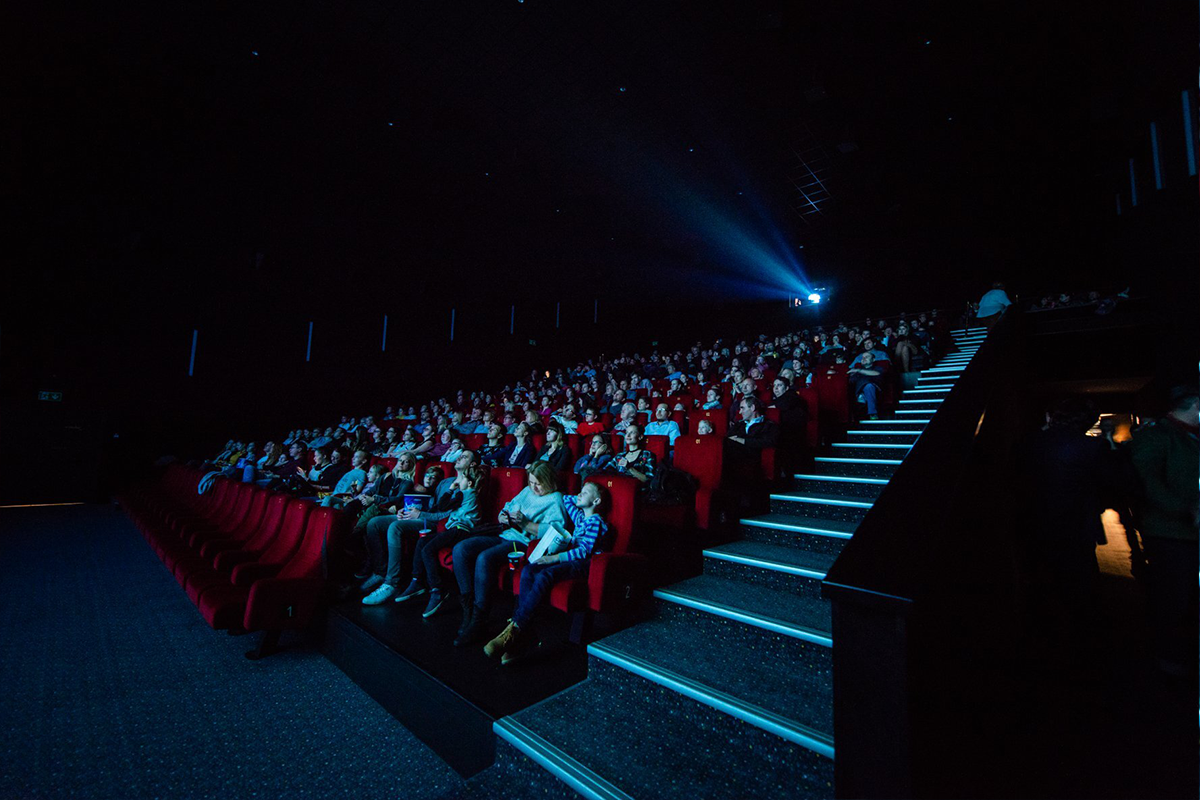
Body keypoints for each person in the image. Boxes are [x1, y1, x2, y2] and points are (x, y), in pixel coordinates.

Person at [1019, 397, 1117, 667]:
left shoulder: (1030, 443)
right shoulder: (1091, 446)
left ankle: (1043, 644)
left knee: (1041, 582)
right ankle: (1083, 652)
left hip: (1034, 524)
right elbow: (1112, 483)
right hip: (1075, 528)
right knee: (1080, 588)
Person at [485, 481, 610, 664]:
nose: (580, 494)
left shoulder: (596, 522)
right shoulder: (580, 517)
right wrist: (579, 496)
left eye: (585, 492)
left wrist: (554, 558)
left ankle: (515, 628)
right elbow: (567, 499)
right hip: (570, 559)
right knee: (529, 569)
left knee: (545, 574)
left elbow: (584, 551)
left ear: (597, 501)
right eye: (580, 491)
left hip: (585, 564)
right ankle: (524, 634)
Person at [449, 462, 566, 646]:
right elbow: (509, 506)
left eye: (538, 483)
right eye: (531, 482)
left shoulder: (556, 499)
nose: (534, 487)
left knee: (484, 558)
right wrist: (504, 515)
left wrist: (526, 524)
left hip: (522, 543)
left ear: (549, 481)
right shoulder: (528, 491)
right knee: (461, 549)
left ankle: (479, 619)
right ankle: (468, 610)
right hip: (505, 534)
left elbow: (554, 532)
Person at [1128, 386, 1199, 676]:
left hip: (1186, 531)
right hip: (1170, 533)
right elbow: (1147, 483)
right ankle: (1167, 656)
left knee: (1185, 597)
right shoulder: (1157, 436)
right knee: (1173, 597)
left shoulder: (1186, 435)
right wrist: (1186, 510)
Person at [360, 452, 475, 604]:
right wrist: (406, 509)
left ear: (472, 465)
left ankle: (391, 583)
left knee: (395, 527)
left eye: (465, 457)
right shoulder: (446, 482)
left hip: (436, 522)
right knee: (374, 523)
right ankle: (380, 571)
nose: (459, 457)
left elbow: (447, 514)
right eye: (460, 455)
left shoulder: (468, 484)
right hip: (425, 515)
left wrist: (421, 515)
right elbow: (432, 504)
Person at [608, 424, 657, 493]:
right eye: (627, 432)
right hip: (618, 487)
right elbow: (606, 470)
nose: (628, 435)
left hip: (637, 491)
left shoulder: (647, 455)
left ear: (640, 437)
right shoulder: (620, 455)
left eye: (632, 432)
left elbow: (649, 480)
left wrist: (630, 468)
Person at [847, 351, 884, 420]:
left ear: (873, 360)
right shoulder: (855, 372)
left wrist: (859, 370)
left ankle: (872, 413)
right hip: (857, 391)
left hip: (874, 392)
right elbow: (851, 381)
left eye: (867, 357)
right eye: (863, 357)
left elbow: (876, 373)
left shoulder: (878, 368)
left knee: (868, 386)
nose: (864, 359)